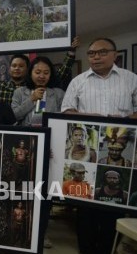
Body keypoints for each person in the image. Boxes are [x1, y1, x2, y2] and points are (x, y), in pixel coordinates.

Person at [61, 38, 137, 254]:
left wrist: (125, 119)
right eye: (91, 53)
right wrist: (88, 117)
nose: (95, 57)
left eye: (102, 52)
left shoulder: (131, 80)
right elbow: (67, 111)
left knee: (112, 205)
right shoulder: (78, 81)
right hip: (87, 154)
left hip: (120, 152)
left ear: (114, 55)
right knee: (85, 208)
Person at [0, 37, 79, 104]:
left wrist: (71, 52)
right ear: (9, 69)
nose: (17, 68)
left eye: (21, 66)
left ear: (28, 70)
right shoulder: (0, 87)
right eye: (14, 66)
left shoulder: (32, 85)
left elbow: (61, 73)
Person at [11, 56, 65, 126]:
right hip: (26, 133)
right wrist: (31, 99)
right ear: (30, 73)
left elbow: (63, 118)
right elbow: (13, 116)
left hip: (49, 132)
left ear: (50, 75)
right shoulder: (19, 92)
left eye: (46, 73)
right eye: (37, 72)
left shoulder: (59, 94)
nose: (42, 76)